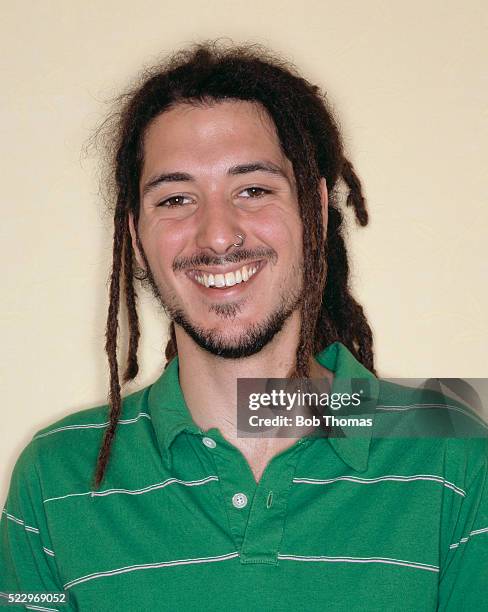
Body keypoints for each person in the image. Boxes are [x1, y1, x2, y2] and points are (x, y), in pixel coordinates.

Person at [1, 41, 486, 612]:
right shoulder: (56, 475)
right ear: (136, 236)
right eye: (177, 198)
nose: (216, 235)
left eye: (253, 190)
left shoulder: (452, 442)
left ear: (317, 210)